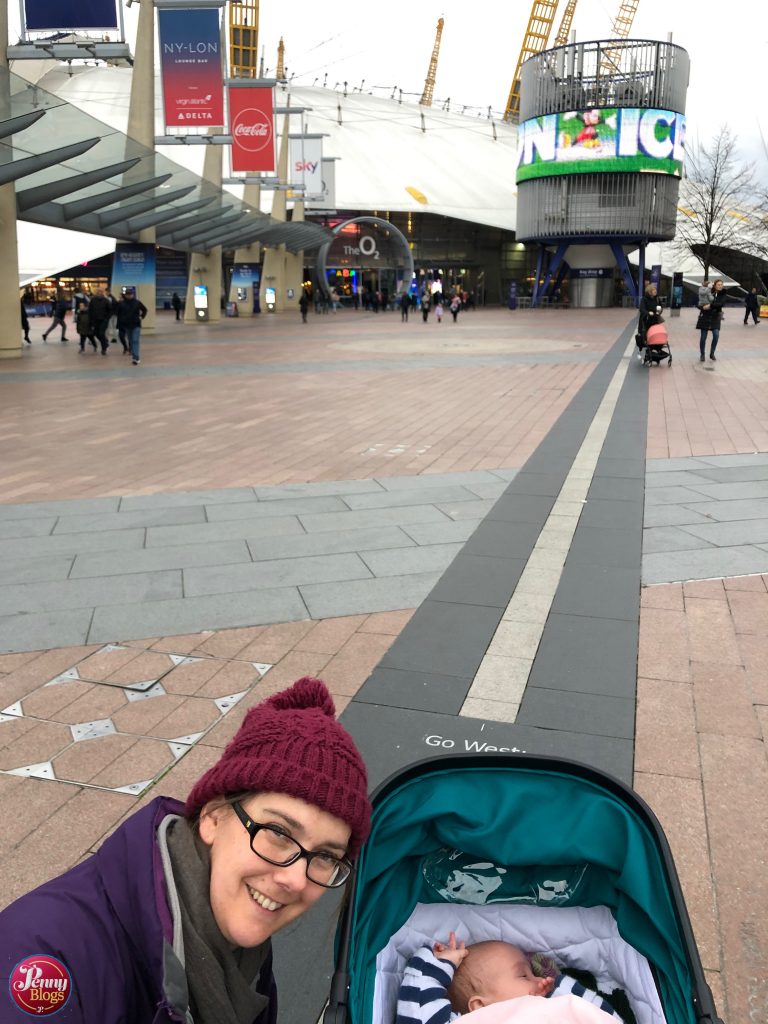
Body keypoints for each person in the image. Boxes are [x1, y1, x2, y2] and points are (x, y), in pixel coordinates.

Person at [0, 677, 371, 1024]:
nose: (293, 879)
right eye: (277, 832)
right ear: (212, 816)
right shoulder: (42, 961)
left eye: (325, 856)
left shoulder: (231, 927)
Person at [396, 934, 622, 1023]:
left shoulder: (553, 1007)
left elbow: (600, 1017)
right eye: (524, 975)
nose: (539, 980)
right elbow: (417, 1006)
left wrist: (561, 988)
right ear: (478, 1005)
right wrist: (436, 962)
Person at [696, 278, 725, 362]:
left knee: (716, 335)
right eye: (718, 285)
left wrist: (710, 306)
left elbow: (721, 304)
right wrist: (702, 307)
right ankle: (702, 354)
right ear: (714, 285)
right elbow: (699, 303)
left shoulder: (723, 294)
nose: (720, 286)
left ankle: (712, 353)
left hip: (715, 317)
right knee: (703, 337)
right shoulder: (707, 291)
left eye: (721, 285)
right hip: (705, 316)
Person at [117, 288, 148, 365]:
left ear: (133, 295)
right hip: (127, 325)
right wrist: (122, 320)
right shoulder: (122, 303)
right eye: (127, 294)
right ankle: (134, 355)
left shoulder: (137, 302)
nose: (129, 296)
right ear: (125, 295)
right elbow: (118, 313)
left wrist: (141, 317)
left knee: (135, 340)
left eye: (130, 294)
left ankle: (136, 358)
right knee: (131, 341)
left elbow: (144, 310)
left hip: (136, 324)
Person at [88, 286, 115, 355]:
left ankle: (104, 349)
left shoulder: (106, 300)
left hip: (103, 320)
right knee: (96, 333)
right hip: (95, 320)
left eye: (100, 292)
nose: (99, 293)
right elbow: (90, 310)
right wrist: (90, 320)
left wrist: (107, 318)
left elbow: (110, 310)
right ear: (96, 293)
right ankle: (105, 343)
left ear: (102, 293)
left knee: (101, 333)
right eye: (98, 292)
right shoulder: (93, 300)